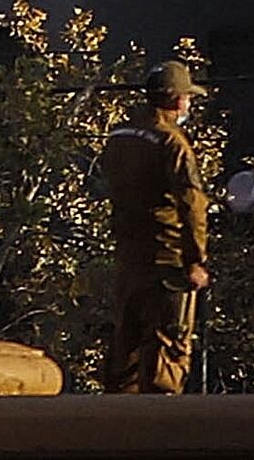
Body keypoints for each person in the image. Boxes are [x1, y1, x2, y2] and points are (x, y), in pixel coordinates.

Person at [98, 56, 212, 392]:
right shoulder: (172, 143)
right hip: (167, 264)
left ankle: (116, 435)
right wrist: (195, 260)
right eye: (188, 97)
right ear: (178, 100)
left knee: (125, 354)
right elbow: (192, 204)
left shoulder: (119, 137)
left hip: (127, 264)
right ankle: (160, 436)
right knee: (167, 353)